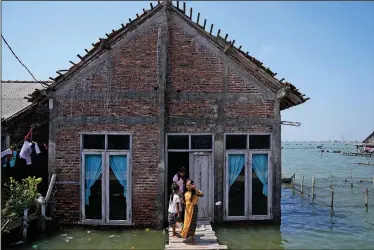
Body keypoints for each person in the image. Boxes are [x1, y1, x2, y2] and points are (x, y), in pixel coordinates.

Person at [180, 179, 204, 245]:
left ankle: (191, 238)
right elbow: (185, 202)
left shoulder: (195, 192)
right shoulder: (185, 192)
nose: (188, 186)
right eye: (187, 185)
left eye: (190, 185)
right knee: (187, 222)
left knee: (192, 223)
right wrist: (183, 202)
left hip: (193, 208)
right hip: (187, 209)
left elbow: (202, 194)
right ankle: (188, 236)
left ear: (192, 185)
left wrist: (196, 189)